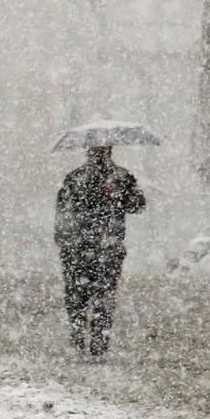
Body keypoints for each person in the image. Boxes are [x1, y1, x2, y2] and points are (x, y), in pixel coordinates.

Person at [54, 145, 146, 358]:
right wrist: (64, 241)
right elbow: (63, 211)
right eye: (94, 151)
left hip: (106, 247)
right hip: (80, 248)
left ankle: (98, 344)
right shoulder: (75, 178)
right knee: (78, 298)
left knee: (102, 298)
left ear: (109, 152)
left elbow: (138, 205)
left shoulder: (121, 178)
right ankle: (79, 341)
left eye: (101, 151)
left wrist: (118, 194)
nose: (98, 155)